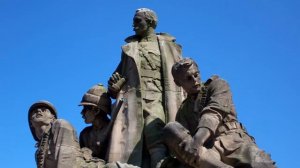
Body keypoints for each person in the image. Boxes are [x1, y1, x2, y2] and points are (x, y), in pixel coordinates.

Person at [107, 8, 185, 168]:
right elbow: (118, 79)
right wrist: (114, 85)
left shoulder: (168, 46)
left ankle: (161, 163)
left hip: (158, 96)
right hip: (134, 100)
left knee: (154, 129)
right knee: (134, 139)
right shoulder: (130, 49)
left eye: (137, 21)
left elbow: (183, 73)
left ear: (150, 22)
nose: (133, 25)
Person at [162, 58, 275, 168]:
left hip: (234, 141)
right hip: (208, 152)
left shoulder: (217, 85)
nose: (195, 80)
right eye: (188, 78)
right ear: (178, 83)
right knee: (171, 129)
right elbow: (184, 143)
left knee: (262, 164)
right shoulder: (183, 111)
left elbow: (213, 113)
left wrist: (197, 142)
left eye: (196, 75)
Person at [28, 100, 106, 168]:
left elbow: (65, 160)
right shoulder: (38, 152)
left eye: (44, 110)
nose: (38, 111)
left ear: (53, 117)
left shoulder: (60, 124)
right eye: (34, 112)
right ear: (31, 122)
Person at [79, 84, 112, 159]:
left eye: (85, 109)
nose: (82, 113)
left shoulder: (114, 129)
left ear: (96, 110)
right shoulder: (85, 134)